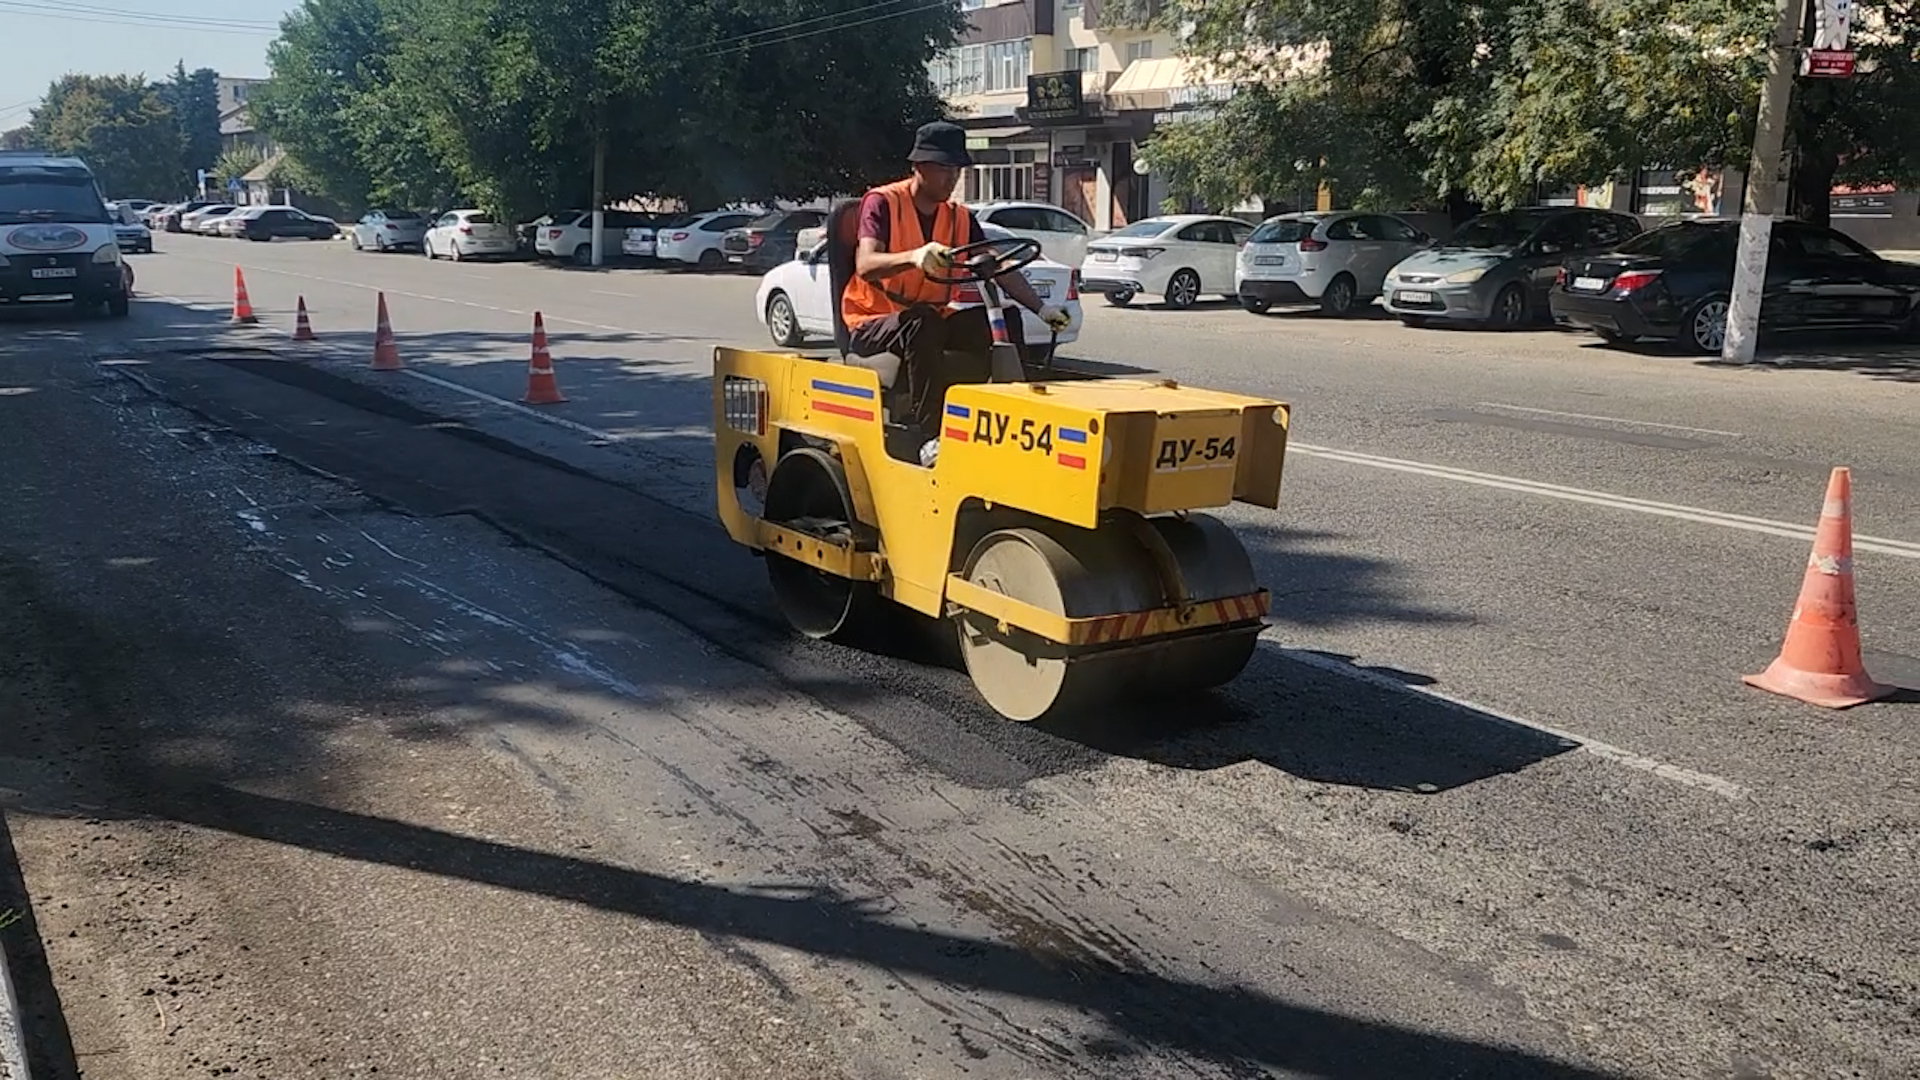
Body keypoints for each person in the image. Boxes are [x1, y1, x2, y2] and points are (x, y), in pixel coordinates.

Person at [843, 120, 1071, 463]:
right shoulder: (882, 203)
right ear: (919, 166)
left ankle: (1015, 417)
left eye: (958, 169)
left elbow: (997, 266)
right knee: (922, 322)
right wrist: (914, 257)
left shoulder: (959, 217)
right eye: (944, 169)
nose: (953, 178)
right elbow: (866, 263)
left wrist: (1041, 309)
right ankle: (929, 436)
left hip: (929, 319)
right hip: (872, 320)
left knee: (1004, 319)